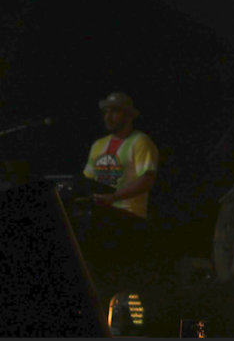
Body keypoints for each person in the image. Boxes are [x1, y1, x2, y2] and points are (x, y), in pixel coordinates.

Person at [78, 91, 159, 317]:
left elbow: (147, 179)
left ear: (129, 115)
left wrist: (113, 197)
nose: (108, 116)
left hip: (128, 219)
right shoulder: (98, 145)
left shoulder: (140, 142)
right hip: (100, 218)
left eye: (114, 111)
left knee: (120, 278)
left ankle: (124, 320)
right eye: (105, 111)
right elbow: (87, 180)